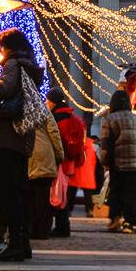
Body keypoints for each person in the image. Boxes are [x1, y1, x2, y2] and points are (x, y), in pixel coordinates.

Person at [0, 28, 45, 262]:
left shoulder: (12, 64)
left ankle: (14, 244)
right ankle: (22, 242)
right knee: (18, 189)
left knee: (7, 191)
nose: (0, 51)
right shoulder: (29, 64)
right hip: (20, 136)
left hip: (6, 135)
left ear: (8, 46)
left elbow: (5, 89)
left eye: (1, 47)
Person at [98, 89, 136, 234]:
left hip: (117, 162)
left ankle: (115, 218)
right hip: (135, 163)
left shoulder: (109, 119)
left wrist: (105, 160)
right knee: (131, 193)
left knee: (116, 191)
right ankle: (128, 223)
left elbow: (106, 142)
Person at [50, 89, 88, 236]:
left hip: (60, 162)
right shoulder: (73, 118)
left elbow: (60, 142)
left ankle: (62, 227)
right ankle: (63, 226)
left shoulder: (58, 119)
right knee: (62, 194)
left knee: (58, 195)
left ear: (53, 101)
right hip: (69, 162)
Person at [27, 91, 65, 239]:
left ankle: (30, 228)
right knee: (43, 198)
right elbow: (54, 133)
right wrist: (59, 154)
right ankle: (42, 231)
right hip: (44, 156)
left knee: (29, 197)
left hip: (27, 155)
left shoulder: (21, 110)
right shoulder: (44, 110)